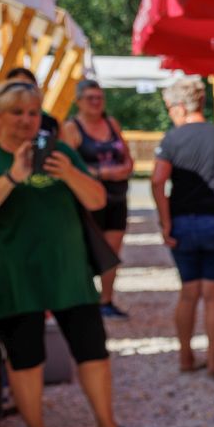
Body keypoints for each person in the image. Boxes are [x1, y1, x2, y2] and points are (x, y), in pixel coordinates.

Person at [0, 79, 143, 427]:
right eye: (17, 112)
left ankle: (107, 425)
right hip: (14, 276)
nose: (27, 120)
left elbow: (96, 199)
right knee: (26, 357)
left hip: (68, 273)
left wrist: (70, 173)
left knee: (93, 351)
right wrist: (12, 177)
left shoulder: (60, 151)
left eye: (32, 112)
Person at [151, 77, 214, 377]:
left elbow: (157, 181)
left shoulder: (171, 139)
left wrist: (164, 220)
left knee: (188, 293)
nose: (170, 113)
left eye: (170, 107)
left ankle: (185, 357)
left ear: (180, 107)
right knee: (213, 293)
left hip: (182, 220)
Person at [62, 79, 133, 319]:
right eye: (90, 98)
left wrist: (125, 168)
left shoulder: (111, 123)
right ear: (79, 101)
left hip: (116, 197)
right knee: (85, 249)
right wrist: (102, 173)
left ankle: (106, 300)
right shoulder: (72, 129)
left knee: (112, 250)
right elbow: (67, 165)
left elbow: (126, 154)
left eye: (99, 98)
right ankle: (85, 298)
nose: (95, 103)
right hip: (87, 198)